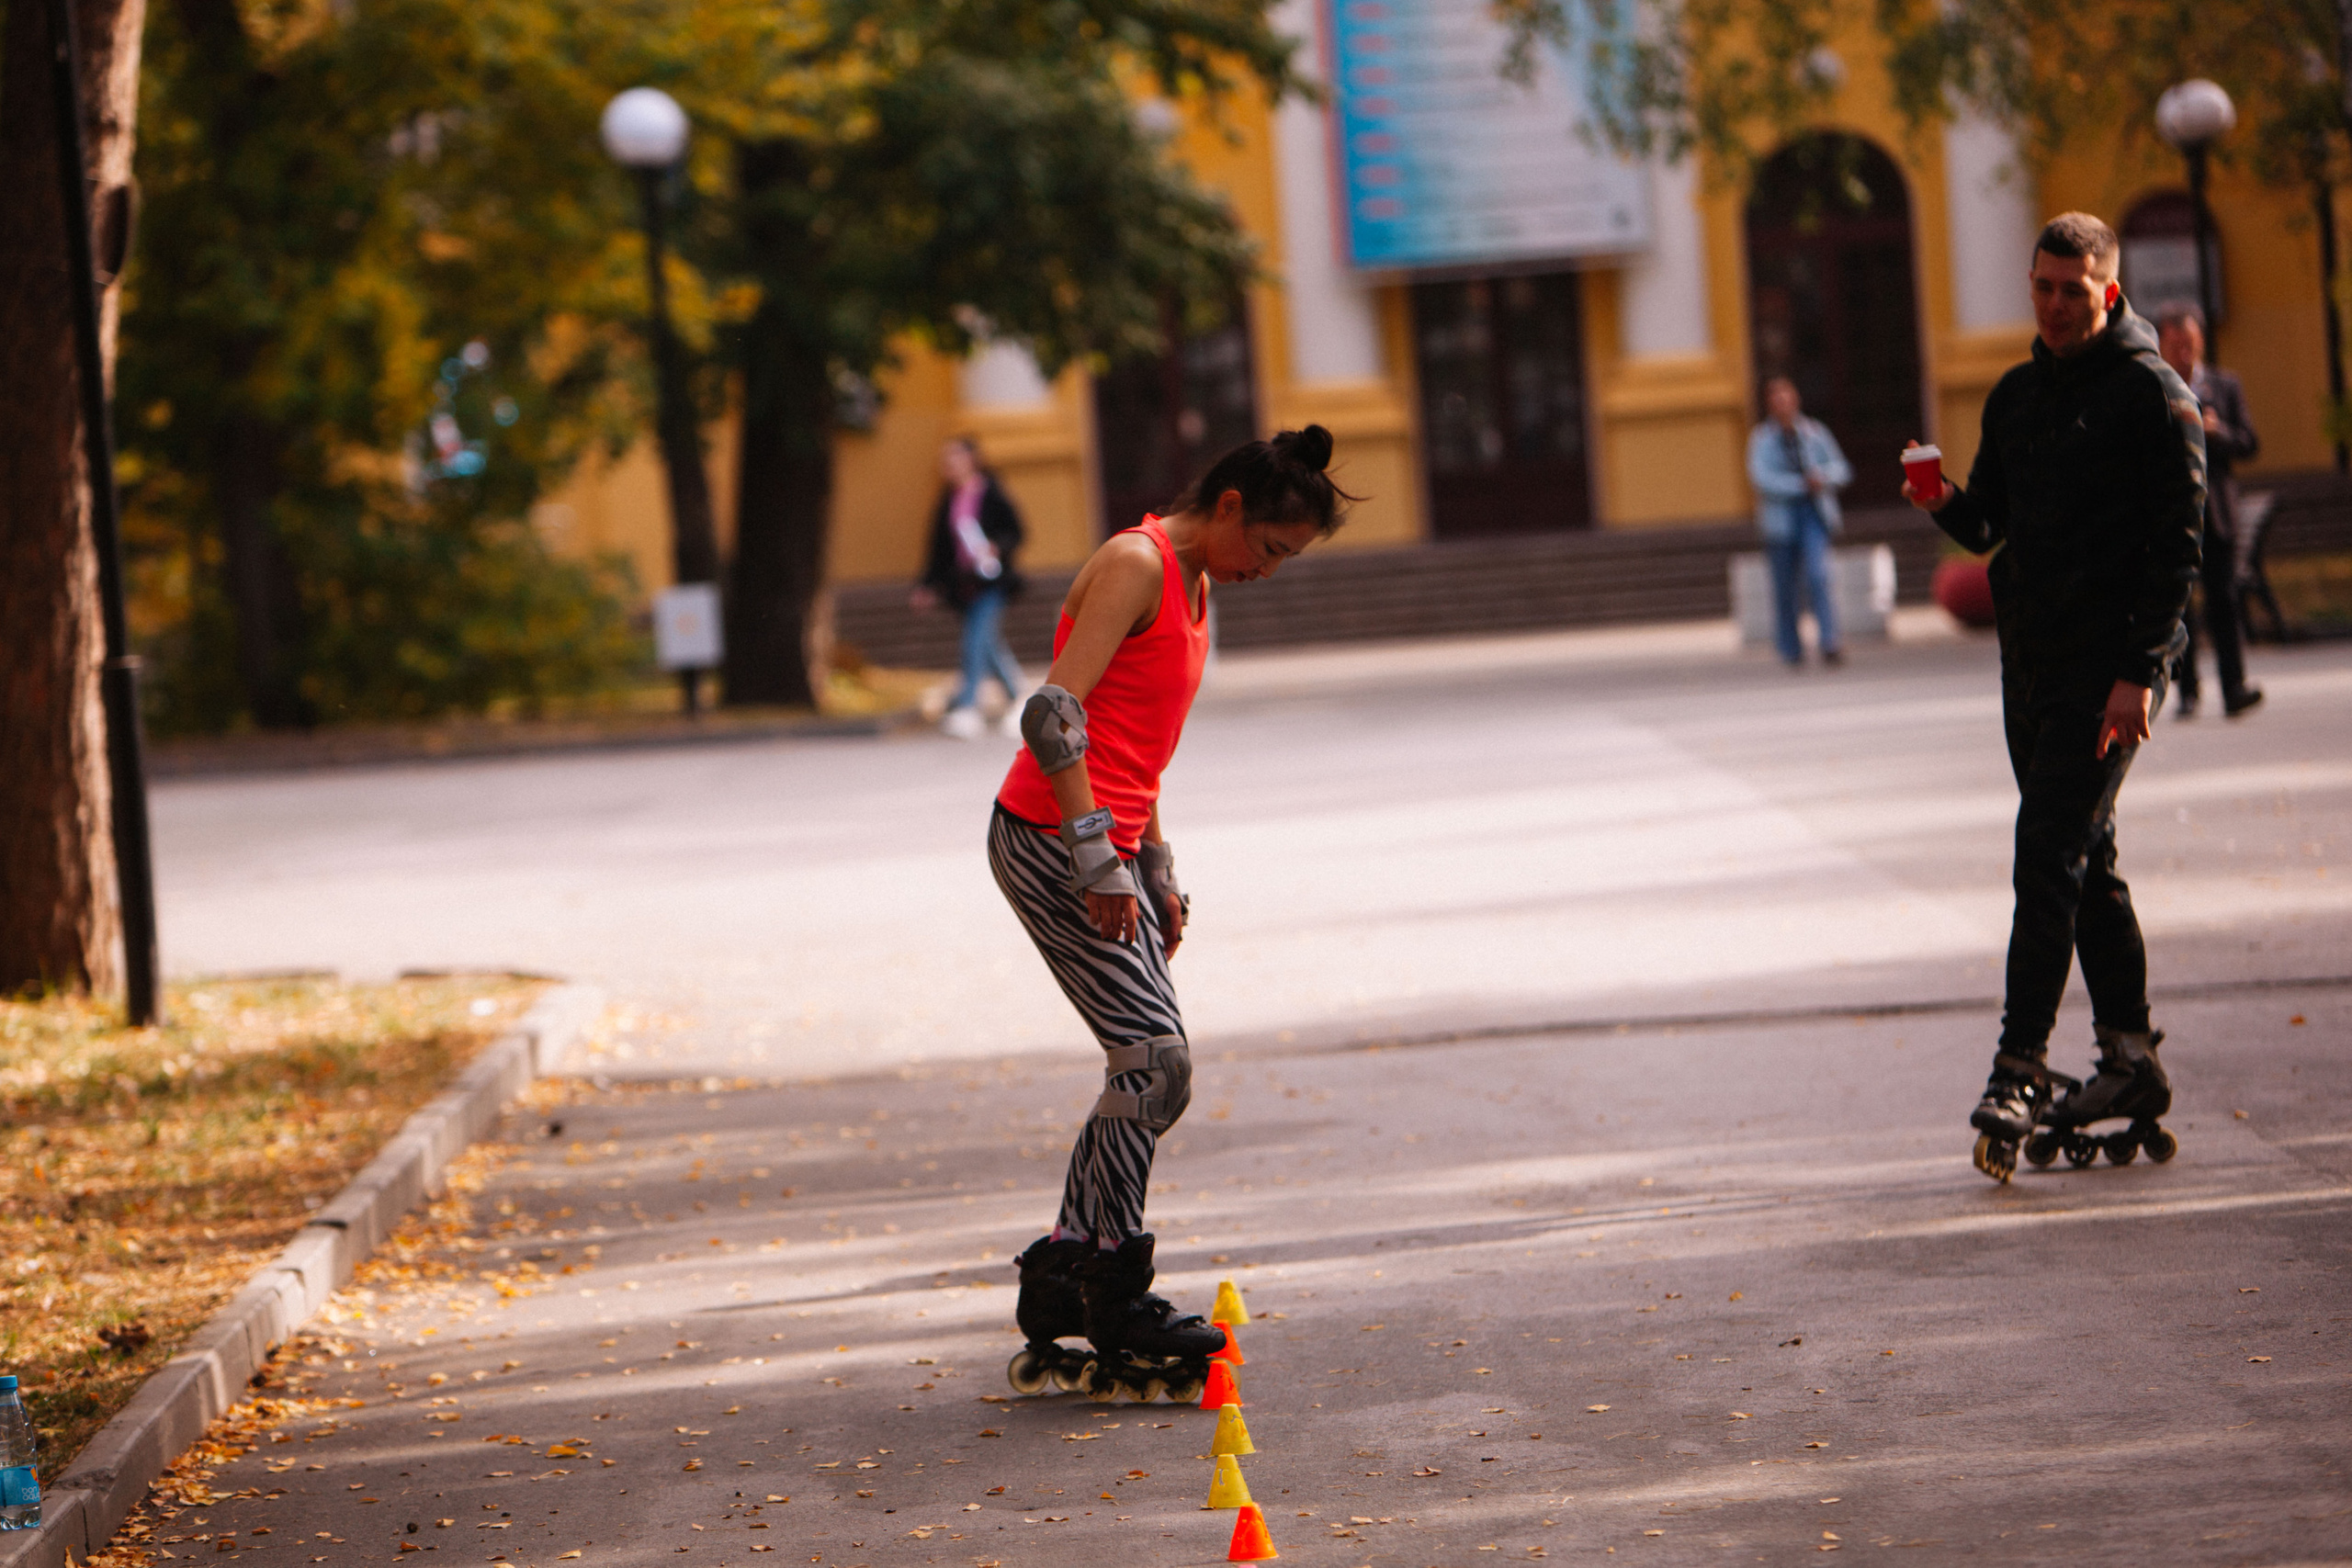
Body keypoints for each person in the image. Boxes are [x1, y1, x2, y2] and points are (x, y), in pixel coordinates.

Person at [990, 425, 1352, 1398]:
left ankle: (1072, 1271)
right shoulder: (1136, 562)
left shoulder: (1194, 588)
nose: (1265, 573)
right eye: (1268, 550)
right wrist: (1095, 857)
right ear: (1230, 507)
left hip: (1110, 843)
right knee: (1155, 1061)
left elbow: (1132, 740)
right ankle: (1104, 1282)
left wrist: (1154, 858)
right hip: (1048, 837)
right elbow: (1054, 716)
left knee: (1153, 1071)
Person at [1903, 212, 2205, 1183]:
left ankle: (2018, 1068)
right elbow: (1991, 522)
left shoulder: (2153, 399)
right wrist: (1941, 500)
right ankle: (2128, 1056)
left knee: (2046, 853)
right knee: (2084, 858)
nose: (2054, 305)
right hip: (2029, 668)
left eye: (2072, 291)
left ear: (2108, 291)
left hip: (2105, 673)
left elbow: (2177, 554)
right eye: (2041, 287)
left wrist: (2140, 672)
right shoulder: (2017, 395)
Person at [2154, 301, 2263, 717]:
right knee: (2179, 608)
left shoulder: (2223, 384)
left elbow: (2250, 443)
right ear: (2162, 344)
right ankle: (2187, 691)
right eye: (2175, 343)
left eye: (2190, 343)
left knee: (2224, 600)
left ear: (2200, 342)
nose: (2183, 352)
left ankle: (2234, 687)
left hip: (2215, 513)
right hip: (2171, 514)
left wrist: (2219, 432)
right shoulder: (2153, 388)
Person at [913, 436, 1028, 739]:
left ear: (971, 460)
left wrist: (996, 547)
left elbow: (1015, 531)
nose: (948, 467)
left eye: (954, 459)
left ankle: (968, 706)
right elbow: (937, 549)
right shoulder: (948, 499)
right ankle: (1021, 698)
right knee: (989, 644)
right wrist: (927, 585)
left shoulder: (991, 492)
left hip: (991, 582)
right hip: (963, 585)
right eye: (946, 462)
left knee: (975, 640)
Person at [1746, 377, 1854, 667]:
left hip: (1813, 513)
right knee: (1784, 587)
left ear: (1795, 400)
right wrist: (1800, 485)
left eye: (1786, 397)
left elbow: (1842, 470)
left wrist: (1822, 478)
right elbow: (1762, 479)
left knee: (1819, 576)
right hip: (1780, 517)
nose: (1782, 404)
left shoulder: (1814, 432)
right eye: (1776, 399)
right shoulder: (1761, 438)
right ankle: (1791, 648)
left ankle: (1829, 641)